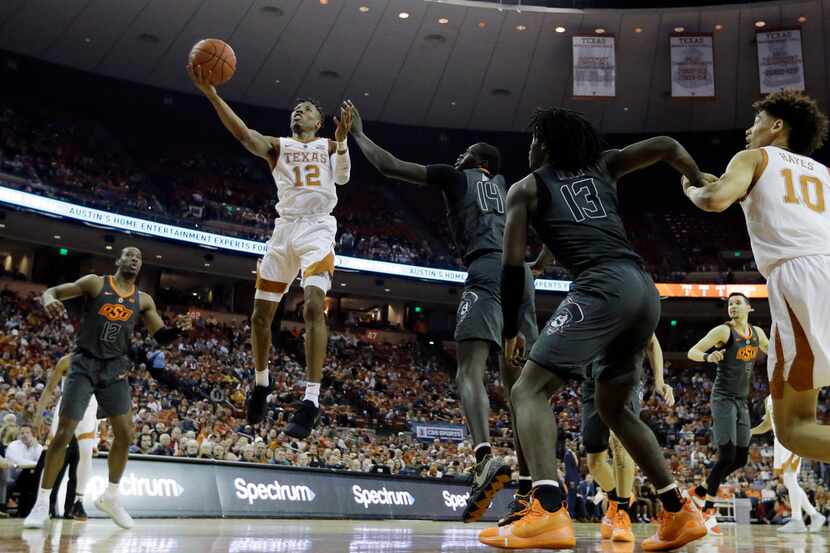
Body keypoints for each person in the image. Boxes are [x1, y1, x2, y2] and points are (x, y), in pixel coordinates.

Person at [481, 107, 707, 551]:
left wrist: (511, 328)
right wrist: (698, 181)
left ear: (544, 143)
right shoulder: (602, 165)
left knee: (527, 390)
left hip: (602, 286)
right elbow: (666, 146)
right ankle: (678, 511)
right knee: (615, 409)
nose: (528, 148)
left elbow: (511, 269)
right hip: (645, 291)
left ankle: (546, 507)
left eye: (533, 140)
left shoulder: (525, 189)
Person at [347, 100, 538, 522]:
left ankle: (484, 456)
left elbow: (391, 166)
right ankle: (532, 494)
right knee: (522, 390)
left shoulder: (457, 177)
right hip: (523, 278)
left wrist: (359, 134)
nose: (459, 156)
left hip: (487, 269)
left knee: (468, 368)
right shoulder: (511, 188)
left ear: (479, 162)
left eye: (466, 152)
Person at [188, 64, 352, 439]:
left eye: (307, 109)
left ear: (319, 121)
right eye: (296, 108)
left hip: (317, 227)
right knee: (260, 319)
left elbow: (342, 178)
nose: (299, 111)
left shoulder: (330, 146)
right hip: (284, 229)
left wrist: (342, 142)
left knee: (313, 305)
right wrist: (212, 94)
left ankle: (310, 400)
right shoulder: (278, 145)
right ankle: (262, 382)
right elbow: (244, 135)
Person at [683, 91, 830, 463]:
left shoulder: (755, 157)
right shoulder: (825, 174)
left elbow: (715, 200)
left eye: (757, 121)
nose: (750, 130)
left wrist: (692, 187)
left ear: (777, 126)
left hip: (801, 276)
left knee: (795, 428)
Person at [24, 247, 192, 529]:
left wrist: (179, 330)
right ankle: (42, 503)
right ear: (118, 260)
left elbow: (161, 337)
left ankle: (110, 497)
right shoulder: (95, 282)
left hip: (114, 368)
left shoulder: (144, 300)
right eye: (129, 255)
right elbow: (54, 291)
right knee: (63, 433)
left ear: (141, 266)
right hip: (84, 364)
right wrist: (48, 298)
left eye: (139, 257)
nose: (134, 259)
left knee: (126, 433)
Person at [686, 292, 768, 534]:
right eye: (730, 304)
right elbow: (692, 351)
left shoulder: (757, 334)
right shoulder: (723, 331)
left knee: (740, 459)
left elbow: (773, 351)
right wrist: (708, 356)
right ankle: (707, 508)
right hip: (723, 399)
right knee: (726, 456)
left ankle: (700, 490)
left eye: (737, 303)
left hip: (742, 401)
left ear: (749, 308)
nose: (732, 307)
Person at [584, 334, 674, 542]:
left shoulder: (629, 303)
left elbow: (652, 342)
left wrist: (659, 380)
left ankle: (623, 513)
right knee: (594, 461)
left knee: (620, 443)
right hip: (590, 379)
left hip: (624, 375)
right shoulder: (590, 304)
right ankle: (616, 499)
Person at [33, 353, 96, 521]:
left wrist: (99, 433)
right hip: (67, 408)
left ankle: (78, 503)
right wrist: (38, 416)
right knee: (53, 456)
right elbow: (48, 389)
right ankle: (42, 503)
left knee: (85, 456)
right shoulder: (67, 361)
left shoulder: (105, 361)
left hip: (90, 410)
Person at [752, 394, 827, 533]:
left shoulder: (790, 391)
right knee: (788, 480)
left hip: (791, 436)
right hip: (779, 440)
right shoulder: (768, 398)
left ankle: (797, 519)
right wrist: (749, 432)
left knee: (790, 478)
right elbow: (767, 424)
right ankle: (815, 515)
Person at [4, 425, 43, 517]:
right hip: (14, 476)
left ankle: (28, 510)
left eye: (27, 433)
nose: (24, 435)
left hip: (31, 477)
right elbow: (19, 462)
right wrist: (35, 464)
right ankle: (27, 511)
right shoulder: (13, 445)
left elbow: (42, 461)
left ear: (33, 434)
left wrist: (34, 447)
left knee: (32, 475)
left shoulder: (37, 446)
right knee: (28, 474)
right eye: (22, 433)